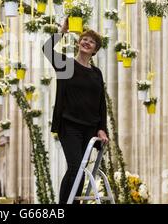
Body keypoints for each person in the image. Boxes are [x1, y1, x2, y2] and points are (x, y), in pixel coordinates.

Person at [42, 17, 109, 204]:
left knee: (81, 169)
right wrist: (62, 31)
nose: (87, 42)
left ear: (95, 50)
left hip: (90, 128)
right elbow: (47, 50)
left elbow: (101, 103)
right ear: (79, 42)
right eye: (84, 39)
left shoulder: (97, 73)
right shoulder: (66, 65)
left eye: (92, 41)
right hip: (69, 125)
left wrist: (102, 128)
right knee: (75, 167)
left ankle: (75, 202)